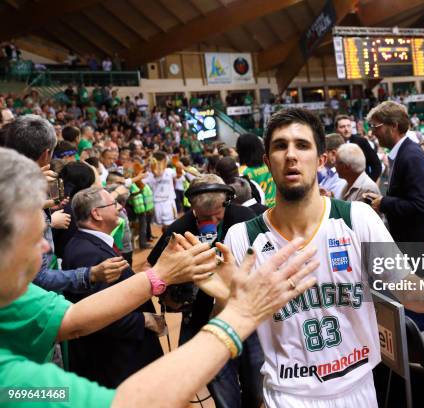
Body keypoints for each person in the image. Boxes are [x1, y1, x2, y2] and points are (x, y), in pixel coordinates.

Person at [0, 146, 318, 408]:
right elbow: (125, 403)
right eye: (33, 236)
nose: (45, 246)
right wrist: (237, 315)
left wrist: (157, 277)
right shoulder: (14, 386)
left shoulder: (13, 298)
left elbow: (73, 318)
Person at [223, 108, 424, 407]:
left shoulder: (357, 217)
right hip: (287, 396)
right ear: (268, 162)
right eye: (281, 146)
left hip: (358, 389)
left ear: (322, 160)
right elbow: (232, 329)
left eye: (302, 145)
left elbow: (411, 291)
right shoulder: (242, 237)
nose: (291, 155)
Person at [147, 174, 260, 408]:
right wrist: (172, 293)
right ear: (193, 209)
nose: (211, 219)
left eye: (216, 214)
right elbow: (154, 270)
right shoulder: (179, 229)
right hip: (203, 321)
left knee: (256, 385)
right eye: (203, 216)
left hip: (249, 317)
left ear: (227, 202)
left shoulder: (245, 218)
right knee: (222, 391)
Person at [61, 186, 164, 387]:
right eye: (113, 204)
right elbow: (96, 316)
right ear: (96, 213)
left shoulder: (89, 244)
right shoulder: (86, 253)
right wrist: (143, 320)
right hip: (114, 363)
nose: (119, 207)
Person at [365, 102, 424, 242]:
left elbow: (422, 206)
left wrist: (384, 203)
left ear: (394, 125)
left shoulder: (411, 157)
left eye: (376, 126)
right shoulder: (405, 153)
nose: (373, 132)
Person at [335, 114, 382, 182]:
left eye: (348, 126)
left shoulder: (361, 142)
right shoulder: (333, 144)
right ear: (336, 129)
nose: (346, 129)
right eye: (342, 127)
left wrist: (369, 182)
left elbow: (376, 165)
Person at [236, 132, 276, 207]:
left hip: (261, 211)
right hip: (277, 206)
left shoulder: (242, 172)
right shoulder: (269, 162)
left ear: (241, 151)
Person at [318, 133, 347, 198]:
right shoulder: (330, 172)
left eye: (322, 152)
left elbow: (335, 203)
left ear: (333, 153)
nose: (320, 156)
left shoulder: (341, 177)